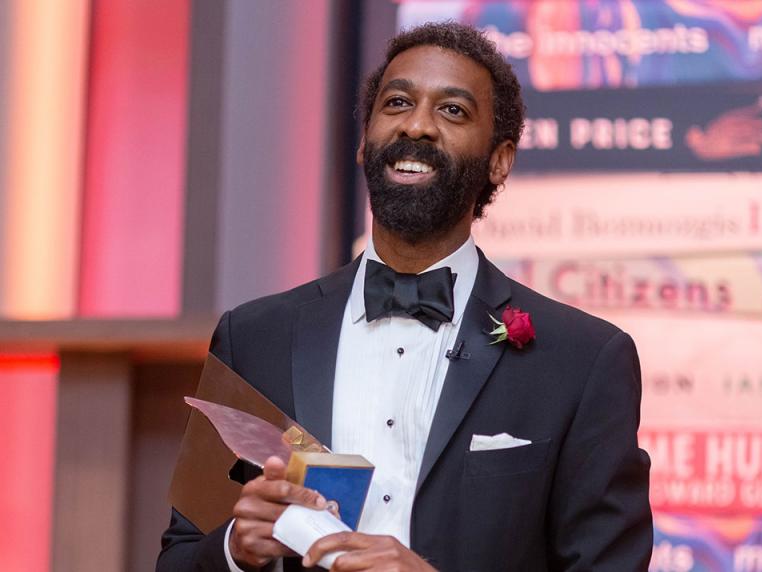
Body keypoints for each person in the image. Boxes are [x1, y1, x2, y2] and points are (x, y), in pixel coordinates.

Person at [157, 21, 652, 572]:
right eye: (397, 103)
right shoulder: (252, 338)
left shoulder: (582, 361)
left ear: (500, 159)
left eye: (453, 110)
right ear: (364, 141)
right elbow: (179, 557)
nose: (418, 126)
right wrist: (235, 550)